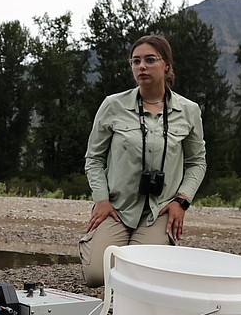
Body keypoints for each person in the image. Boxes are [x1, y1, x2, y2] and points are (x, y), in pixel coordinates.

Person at [79, 34, 207, 287]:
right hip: (117, 207)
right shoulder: (112, 105)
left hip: (159, 211)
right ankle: (94, 243)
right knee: (97, 276)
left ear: (167, 65)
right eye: (135, 61)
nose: (142, 66)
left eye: (150, 60)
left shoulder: (189, 110)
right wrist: (101, 200)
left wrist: (182, 201)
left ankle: (154, 250)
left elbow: (197, 162)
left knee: (140, 275)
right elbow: (94, 158)